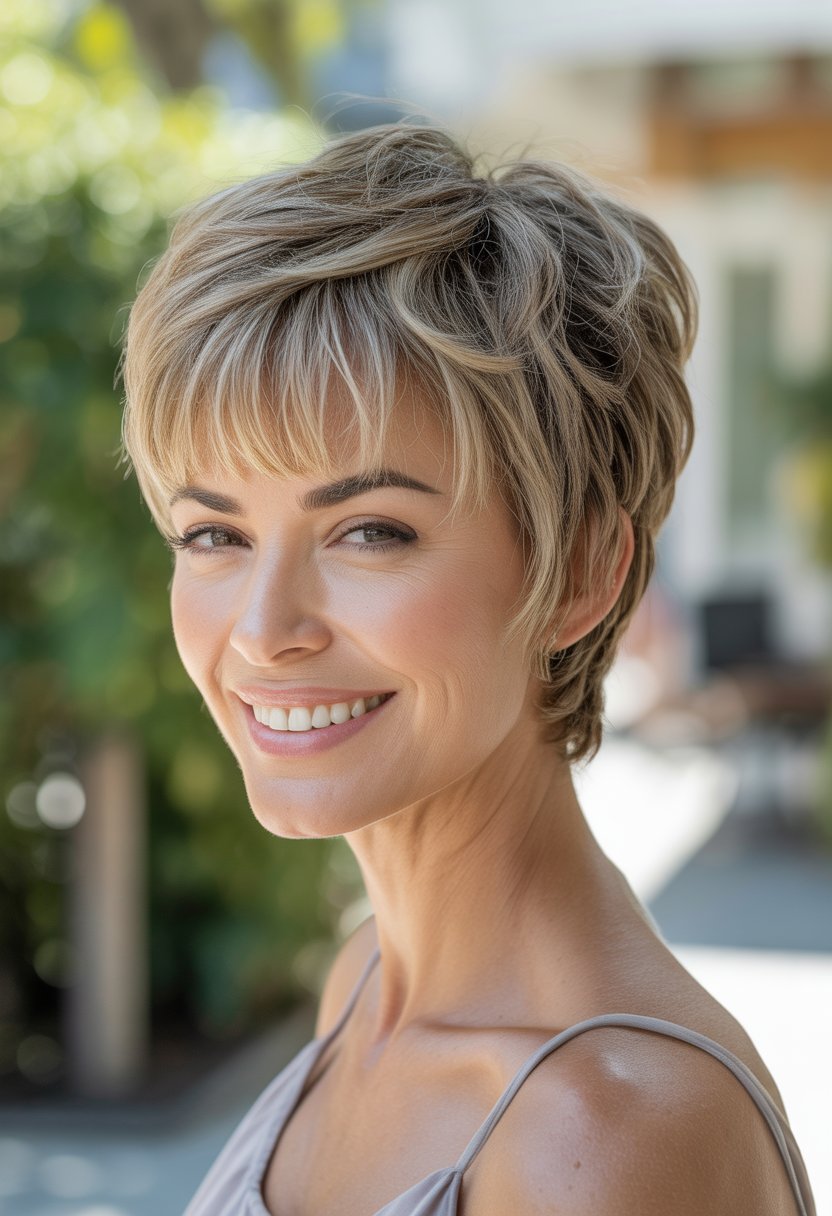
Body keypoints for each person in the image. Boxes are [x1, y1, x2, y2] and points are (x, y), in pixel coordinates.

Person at [120, 122, 815, 1216]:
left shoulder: (602, 1135)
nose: (264, 627)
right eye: (215, 534)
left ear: (581, 570)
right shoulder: (365, 981)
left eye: (370, 531)